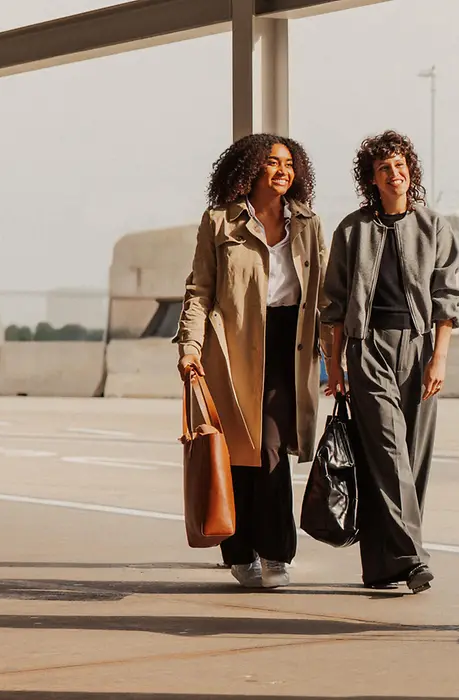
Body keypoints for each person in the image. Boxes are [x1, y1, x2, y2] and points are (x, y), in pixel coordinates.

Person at [176, 133, 326, 589]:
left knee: (273, 449)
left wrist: (337, 358)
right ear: (250, 169)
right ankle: (239, 550)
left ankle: (277, 550)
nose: (283, 171)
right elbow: (200, 289)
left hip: (290, 346)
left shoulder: (309, 223)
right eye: (272, 163)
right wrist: (190, 347)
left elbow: (325, 297)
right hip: (233, 347)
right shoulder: (220, 222)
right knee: (240, 453)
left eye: (289, 163)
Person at [320, 130, 459, 593]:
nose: (395, 174)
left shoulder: (434, 226)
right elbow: (333, 306)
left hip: (421, 347)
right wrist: (336, 366)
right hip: (368, 347)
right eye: (385, 168)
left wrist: (438, 359)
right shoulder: (352, 229)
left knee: (413, 458)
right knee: (387, 451)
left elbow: (448, 298)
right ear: (373, 179)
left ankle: (384, 566)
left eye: (400, 166)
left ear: (410, 171)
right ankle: (414, 558)